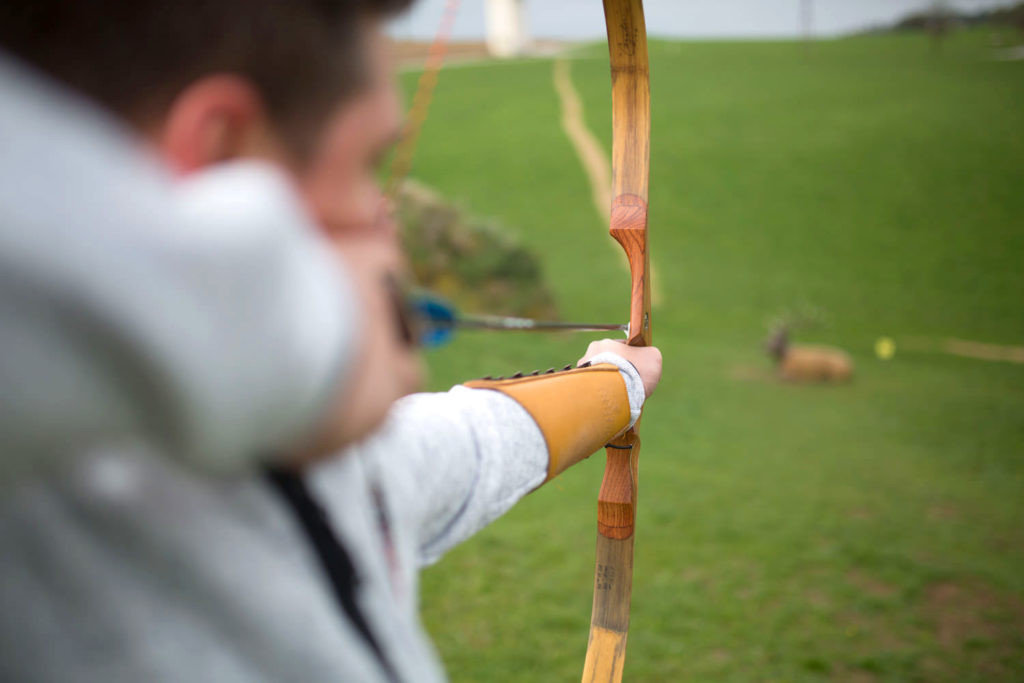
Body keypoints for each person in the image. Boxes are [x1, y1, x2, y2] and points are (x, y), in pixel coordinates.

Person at [0, 1, 663, 682]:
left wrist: (620, 381)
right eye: (368, 161)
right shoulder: (35, 505)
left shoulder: (320, 454)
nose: (386, 218)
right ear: (224, 157)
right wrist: (301, 329)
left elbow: (474, 444)